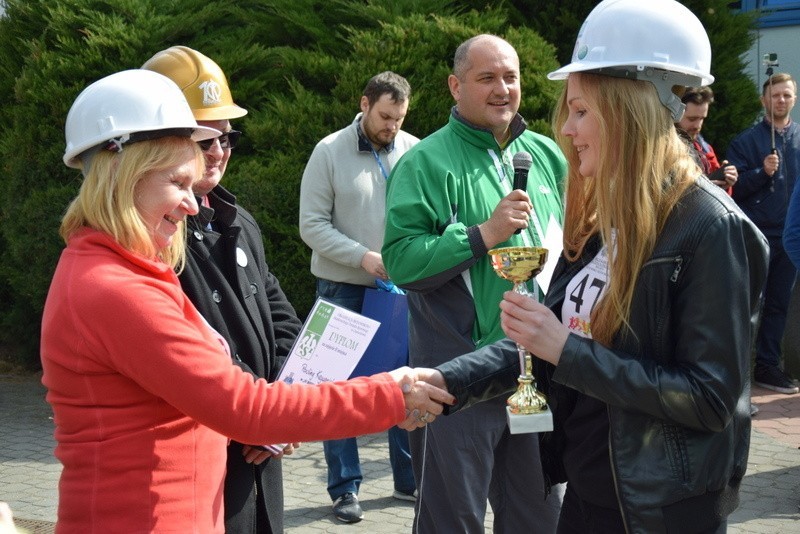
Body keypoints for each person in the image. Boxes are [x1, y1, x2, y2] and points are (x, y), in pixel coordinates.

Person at [41, 68, 454, 533]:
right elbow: (247, 409)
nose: (193, 204)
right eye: (178, 182)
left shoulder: (130, 268)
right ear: (123, 174)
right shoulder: (115, 288)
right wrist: (391, 394)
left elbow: (271, 331)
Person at [417, 1, 770, 532]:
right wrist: (439, 384)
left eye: (581, 111)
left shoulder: (709, 226)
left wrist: (567, 349)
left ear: (630, 111)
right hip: (588, 493)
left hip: (654, 513)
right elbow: (544, 344)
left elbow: (710, 397)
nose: (567, 129)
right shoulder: (605, 218)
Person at [381, 34, 566, 533]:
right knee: (451, 521)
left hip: (534, 373)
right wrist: (484, 234)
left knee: (540, 516)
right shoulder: (425, 162)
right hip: (456, 378)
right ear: (455, 86)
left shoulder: (548, 155)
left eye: (511, 77)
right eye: (487, 78)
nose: (502, 88)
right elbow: (400, 261)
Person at [141, 45, 301, 534]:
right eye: (204, 139)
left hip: (261, 461)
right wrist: (263, 415)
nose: (218, 152)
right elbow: (184, 353)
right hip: (197, 475)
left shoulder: (239, 221)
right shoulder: (151, 235)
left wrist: (286, 410)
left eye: (227, 139)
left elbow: (285, 325)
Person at [299, 71, 419, 523]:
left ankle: (409, 482)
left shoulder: (414, 148)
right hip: (343, 288)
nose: (392, 127)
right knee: (340, 391)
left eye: (400, 118)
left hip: (401, 289)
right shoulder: (328, 151)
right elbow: (311, 225)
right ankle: (345, 488)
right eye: (386, 116)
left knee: (404, 385)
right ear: (365, 103)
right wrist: (364, 257)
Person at [728, 72, 800, 394]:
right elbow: (733, 188)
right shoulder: (745, 141)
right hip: (757, 235)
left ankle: (768, 367)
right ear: (764, 100)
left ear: (794, 99)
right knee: (748, 305)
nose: (781, 100)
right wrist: (762, 172)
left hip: (791, 237)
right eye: (775, 95)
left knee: (779, 304)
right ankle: (737, 373)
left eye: (786, 95)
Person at [676, 86, 737, 194]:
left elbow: (722, 200)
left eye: (702, 118)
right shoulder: (662, 150)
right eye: (692, 119)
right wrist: (702, 190)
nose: (698, 125)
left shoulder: (705, 148)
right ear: (675, 114)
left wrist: (726, 182)